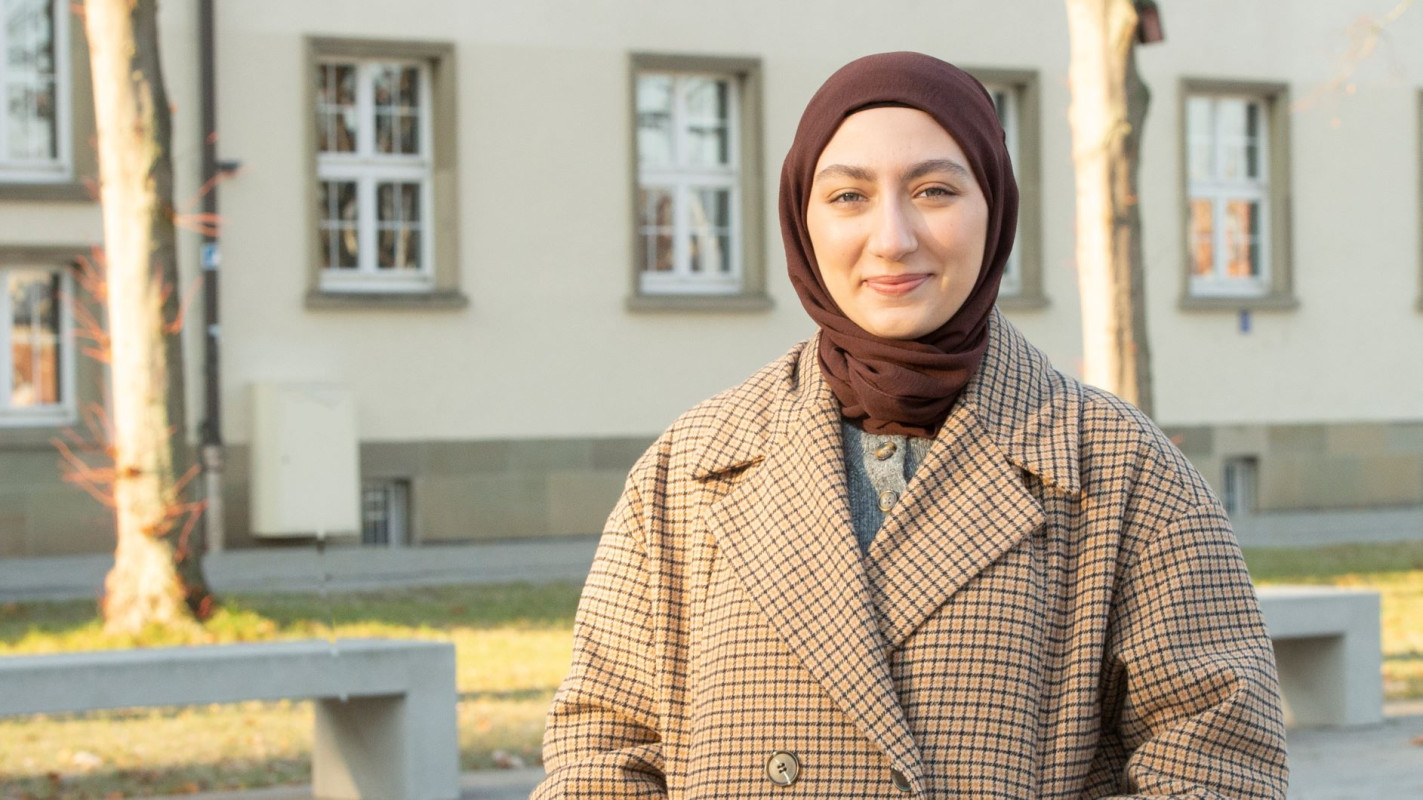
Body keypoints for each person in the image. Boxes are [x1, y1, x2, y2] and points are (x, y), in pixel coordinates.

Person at [533, 51, 1288, 798]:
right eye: (848, 197)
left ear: (993, 207)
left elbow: (1217, 768)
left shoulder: (1120, 470)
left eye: (932, 190)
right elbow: (604, 751)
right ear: (802, 217)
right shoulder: (692, 465)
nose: (892, 238)